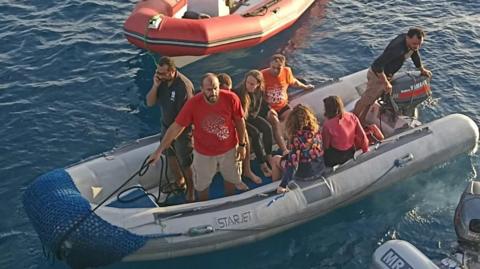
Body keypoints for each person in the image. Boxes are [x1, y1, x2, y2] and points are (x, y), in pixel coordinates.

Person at [148, 73, 249, 201]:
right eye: (209, 89)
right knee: (201, 186)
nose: (213, 92)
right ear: (201, 89)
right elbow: (177, 126)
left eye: (216, 88)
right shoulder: (193, 104)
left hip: (229, 149)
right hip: (204, 153)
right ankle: (203, 206)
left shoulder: (231, 98)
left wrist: (242, 145)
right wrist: (159, 151)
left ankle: (229, 202)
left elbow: (240, 122)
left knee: (231, 179)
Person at [353, 27, 432, 125]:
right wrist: (386, 83)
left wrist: (421, 69)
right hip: (378, 76)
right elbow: (378, 65)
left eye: (419, 44)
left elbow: (414, 54)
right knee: (365, 100)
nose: (417, 47)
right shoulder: (397, 49)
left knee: (371, 100)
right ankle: (352, 123)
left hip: (388, 75)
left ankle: (361, 120)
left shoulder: (411, 45)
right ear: (407, 38)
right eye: (415, 44)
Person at [145, 56, 195, 201]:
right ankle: (179, 182)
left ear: (172, 71)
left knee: (185, 161)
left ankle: (191, 189)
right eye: (157, 72)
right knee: (170, 155)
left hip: (182, 129)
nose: (158, 75)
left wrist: (159, 148)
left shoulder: (183, 87)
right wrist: (155, 85)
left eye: (162, 73)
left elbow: (182, 121)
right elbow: (149, 102)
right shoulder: (161, 81)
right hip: (166, 125)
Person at [261, 54, 314, 154]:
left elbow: (294, 82)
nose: (276, 70)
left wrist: (306, 87)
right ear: (269, 65)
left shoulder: (286, 72)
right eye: (273, 67)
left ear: (283, 66)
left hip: (282, 105)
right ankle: (284, 149)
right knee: (275, 121)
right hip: (269, 107)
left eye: (278, 68)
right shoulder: (262, 75)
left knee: (294, 118)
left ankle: (293, 143)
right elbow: (258, 94)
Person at [270, 104, 325, 193]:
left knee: (275, 159)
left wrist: (283, 185)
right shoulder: (316, 131)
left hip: (305, 174)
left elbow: (293, 165)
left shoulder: (297, 139)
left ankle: (276, 186)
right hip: (319, 169)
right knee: (287, 156)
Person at [234, 70, 274, 183]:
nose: (249, 86)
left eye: (252, 84)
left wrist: (269, 110)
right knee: (255, 133)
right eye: (248, 83)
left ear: (258, 84)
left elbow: (261, 104)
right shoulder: (239, 92)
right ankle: (262, 163)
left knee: (268, 128)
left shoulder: (259, 91)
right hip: (241, 119)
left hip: (252, 116)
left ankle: (269, 155)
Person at [322, 96, 369, 167]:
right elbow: (362, 136)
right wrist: (366, 150)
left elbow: (326, 146)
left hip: (336, 155)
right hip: (350, 152)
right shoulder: (352, 116)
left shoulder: (327, 125)